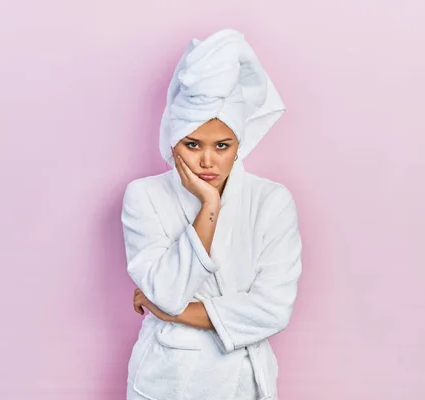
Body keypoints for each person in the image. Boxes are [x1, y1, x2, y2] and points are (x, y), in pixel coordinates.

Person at [121, 28, 303, 400]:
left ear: (239, 144)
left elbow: (273, 310)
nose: (207, 160)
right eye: (192, 144)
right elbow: (168, 292)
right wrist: (209, 207)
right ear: (174, 141)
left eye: (222, 145)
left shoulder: (272, 201)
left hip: (244, 381)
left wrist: (171, 314)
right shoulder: (144, 196)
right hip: (168, 379)